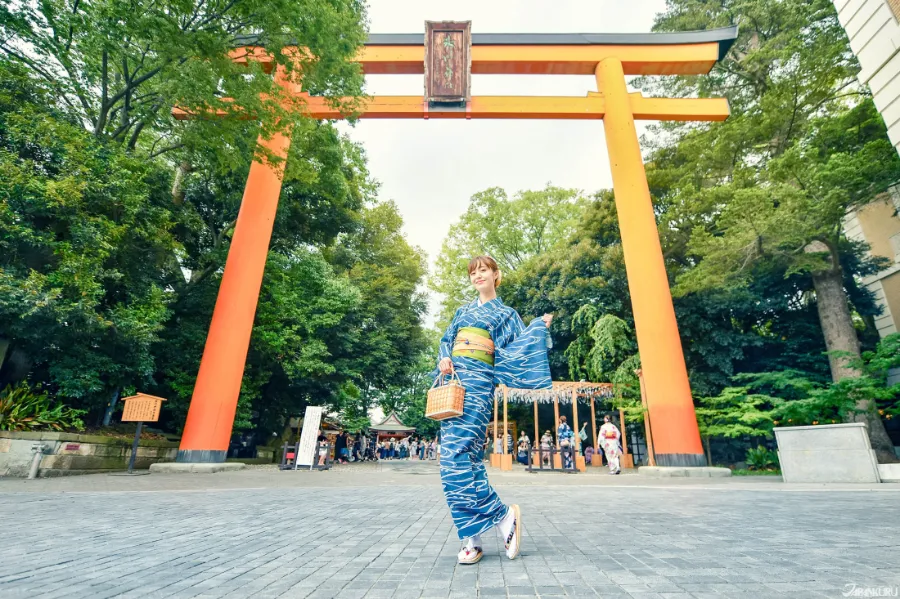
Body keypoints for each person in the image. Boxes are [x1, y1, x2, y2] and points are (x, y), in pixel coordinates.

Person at [434, 255, 552, 565]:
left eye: (483, 270)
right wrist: (444, 358)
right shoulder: (462, 312)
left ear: (496, 274)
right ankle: (478, 534)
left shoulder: (507, 314)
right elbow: (446, 340)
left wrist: (539, 327)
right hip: (454, 385)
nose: (478, 276)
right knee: (464, 460)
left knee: (454, 457)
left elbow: (518, 349)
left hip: (478, 388)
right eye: (473, 272)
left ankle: (494, 524)